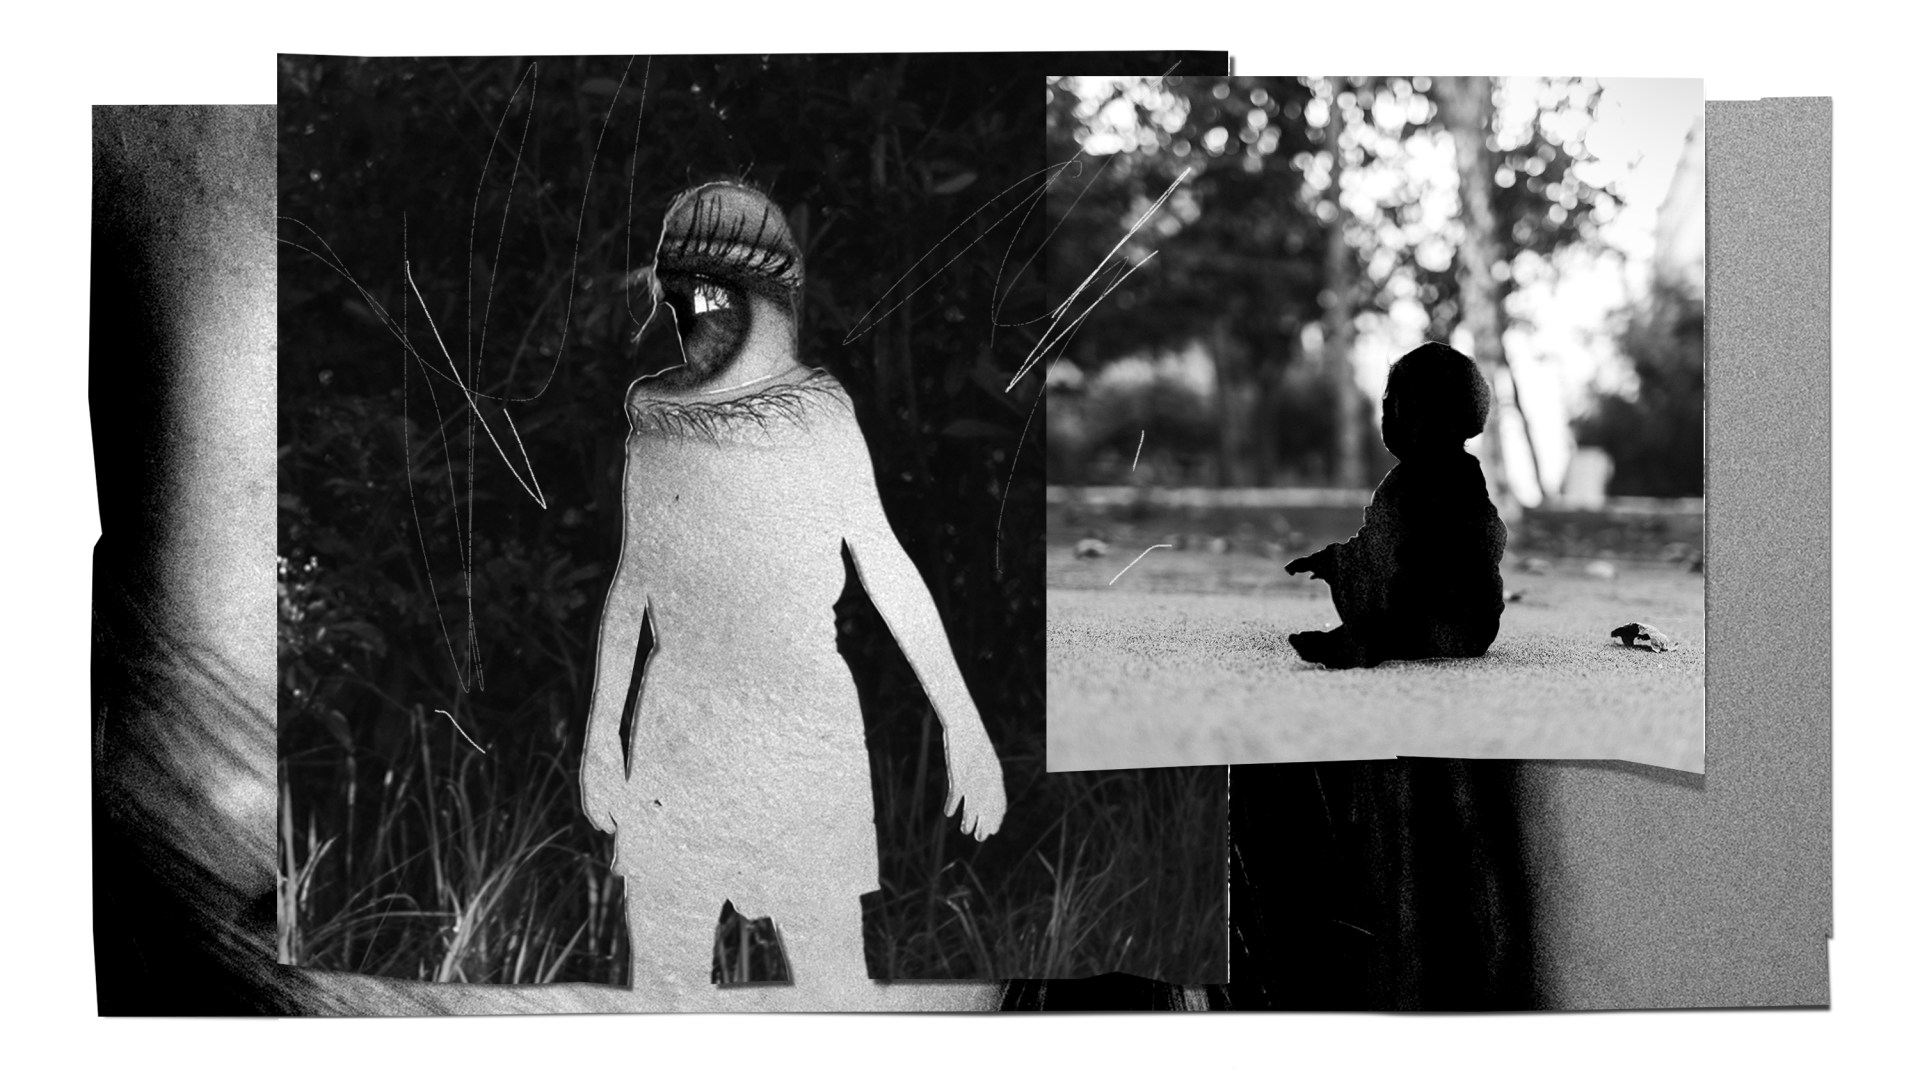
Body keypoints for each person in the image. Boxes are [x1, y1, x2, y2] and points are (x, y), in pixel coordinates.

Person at [579, 182, 1006, 1006]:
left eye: (699, 298)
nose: (687, 320)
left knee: (833, 984)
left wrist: (963, 721)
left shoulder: (817, 418)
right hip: (681, 724)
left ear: (740, 298)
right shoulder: (656, 424)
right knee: (666, 987)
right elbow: (633, 583)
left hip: (802, 722)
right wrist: (603, 734)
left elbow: (884, 561)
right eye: (678, 299)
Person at [1285, 342, 1507, 669]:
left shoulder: (1446, 478)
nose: (1388, 418)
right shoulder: (1421, 479)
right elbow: (1376, 538)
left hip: (1449, 615)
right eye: (1386, 407)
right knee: (1360, 565)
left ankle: (1362, 643)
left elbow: (1485, 537)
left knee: (1401, 586)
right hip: (1448, 616)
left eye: (1397, 407)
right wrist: (1331, 560)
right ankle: (1367, 636)